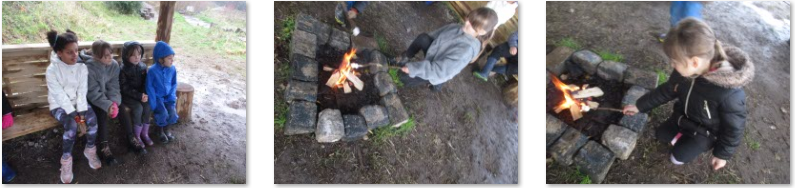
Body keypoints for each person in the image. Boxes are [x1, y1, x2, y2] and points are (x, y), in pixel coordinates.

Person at [623, 18, 753, 171]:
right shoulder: (685, 71)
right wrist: (640, 106)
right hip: (681, 117)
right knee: (660, 135)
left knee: (677, 157)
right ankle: (679, 135)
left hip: (705, 132)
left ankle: (687, 143)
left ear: (695, 62)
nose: (672, 65)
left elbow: (733, 129)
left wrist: (722, 155)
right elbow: (667, 90)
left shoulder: (730, 94)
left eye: (674, 61)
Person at [390, 7, 498, 92]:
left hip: (437, 72)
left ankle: (437, 84)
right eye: (469, 19)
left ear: (482, 32)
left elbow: (439, 71)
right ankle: (403, 58)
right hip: (435, 55)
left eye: (472, 25)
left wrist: (414, 69)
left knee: (402, 78)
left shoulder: (466, 50)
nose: (466, 23)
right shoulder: (456, 27)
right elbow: (433, 36)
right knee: (423, 38)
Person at [45, 29, 102, 184]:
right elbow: (59, 95)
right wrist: (76, 117)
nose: (75, 55)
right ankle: (66, 160)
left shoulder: (81, 67)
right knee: (70, 126)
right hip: (59, 106)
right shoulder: (52, 70)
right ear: (59, 53)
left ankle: (90, 149)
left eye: (76, 51)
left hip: (78, 104)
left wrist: (82, 114)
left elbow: (82, 92)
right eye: (70, 52)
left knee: (93, 120)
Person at [83, 40, 122, 166]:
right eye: (106, 56)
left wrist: (114, 103)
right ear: (96, 56)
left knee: (124, 110)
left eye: (111, 54)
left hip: (106, 98)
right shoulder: (89, 68)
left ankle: (133, 138)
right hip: (92, 99)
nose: (110, 57)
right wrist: (107, 105)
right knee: (101, 113)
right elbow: (93, 93)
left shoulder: (113, 65)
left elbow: (114, 86)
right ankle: (104, 147)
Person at [118, 41, 152, 154]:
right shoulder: (123, 69)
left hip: (139, 95)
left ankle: (144, 133)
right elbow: (124, 88)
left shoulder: (142, 66)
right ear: (126, 56)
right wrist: (138, 96)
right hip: (128, 96)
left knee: (147, 106)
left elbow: (145, 83)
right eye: (133, 55)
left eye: (139, 54)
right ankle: (136, 136)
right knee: (138, 108)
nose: (137, 57)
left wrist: (143, 94)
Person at [146, 41, 179, 144]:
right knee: (162, 112)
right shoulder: (152, 70)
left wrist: (172, 95)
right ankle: (159, 131)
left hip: (169, 97)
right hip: (157, 97)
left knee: (172, 111)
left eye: (172, 57)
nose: (172, 60)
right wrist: (153, 102)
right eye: (169, 58)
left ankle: (167, 130)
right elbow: (149, 86)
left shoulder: (172, 69)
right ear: (160, 59)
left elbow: (174, 83)